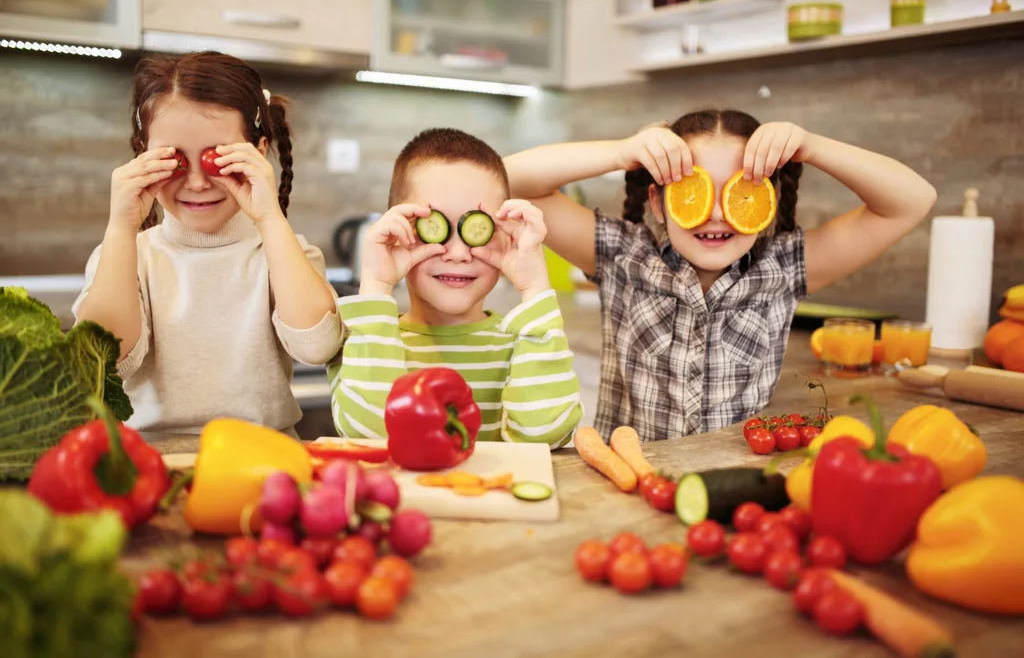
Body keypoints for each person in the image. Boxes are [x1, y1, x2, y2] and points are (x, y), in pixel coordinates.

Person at [502, 109, 937, 441]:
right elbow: (506, 178)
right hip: (628, 484)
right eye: (693, 190)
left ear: (766, 201)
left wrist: (812, 146)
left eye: (740, 191)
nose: (715, 213)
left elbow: (913, 200)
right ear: (658, 203)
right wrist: (620, 152)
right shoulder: (622, 254)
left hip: (734, 490)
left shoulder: (784, 266)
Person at [73, 51, 341, 437]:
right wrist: (121, 227)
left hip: (263, 457)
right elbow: (103, 364)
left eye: (217, 159)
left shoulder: (285, 253)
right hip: (150, 463)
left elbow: (316, 346)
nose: (197, 183)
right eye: (173, 160)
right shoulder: (123, 256)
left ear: (258, 153)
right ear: (143, 156)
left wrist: (270, 218)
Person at [328, 128, 583, 448]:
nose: (459, 253)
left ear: (507, 234)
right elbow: (368, 437)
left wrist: (535, 288)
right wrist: (376, 285)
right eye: (435, 226)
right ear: (397, 232)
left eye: (477, 227)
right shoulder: (365, 337)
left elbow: (545, 436)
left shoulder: (526, 341)